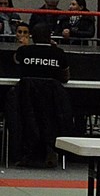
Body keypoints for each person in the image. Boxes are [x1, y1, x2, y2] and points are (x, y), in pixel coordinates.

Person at [9, 23, 72, 166]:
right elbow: (65, 77)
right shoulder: (59, 53)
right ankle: (50, 149)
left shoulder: (23, 51)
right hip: (51, 105)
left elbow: (15, 62)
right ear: (50, 37)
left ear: (32, 36)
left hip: (27, 104)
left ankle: (26, 153)